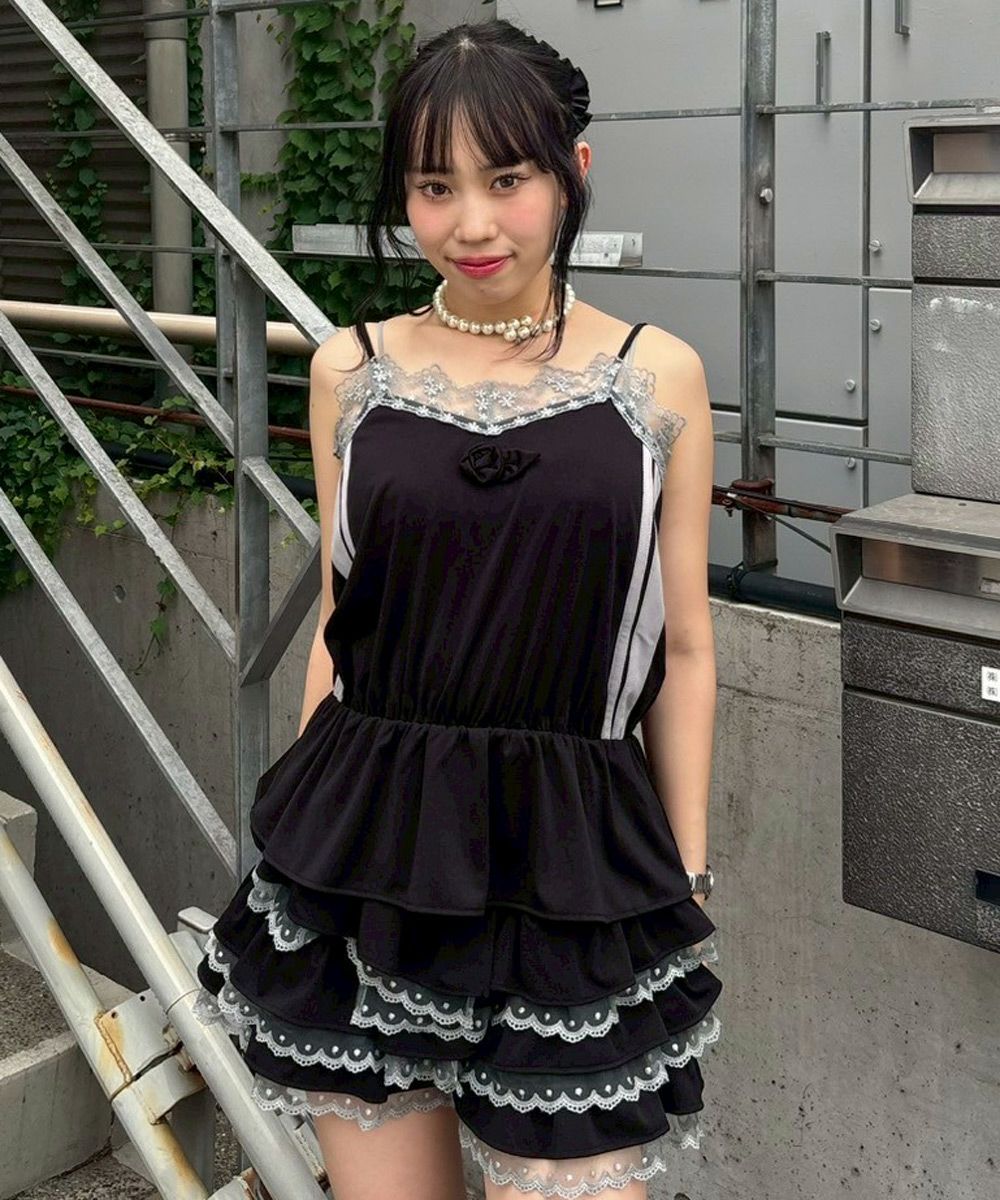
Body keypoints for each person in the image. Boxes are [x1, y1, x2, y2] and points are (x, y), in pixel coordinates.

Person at [192, 17, 722, 1200]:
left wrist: (685, 868)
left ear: (573, 172)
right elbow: (343, 621)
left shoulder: (657, 374)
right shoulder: (351, 370)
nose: (472, 223)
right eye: (435, 188)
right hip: (368, 846)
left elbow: (684, 647)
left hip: (573, 854)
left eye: (507, 179)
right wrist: (306, 846)